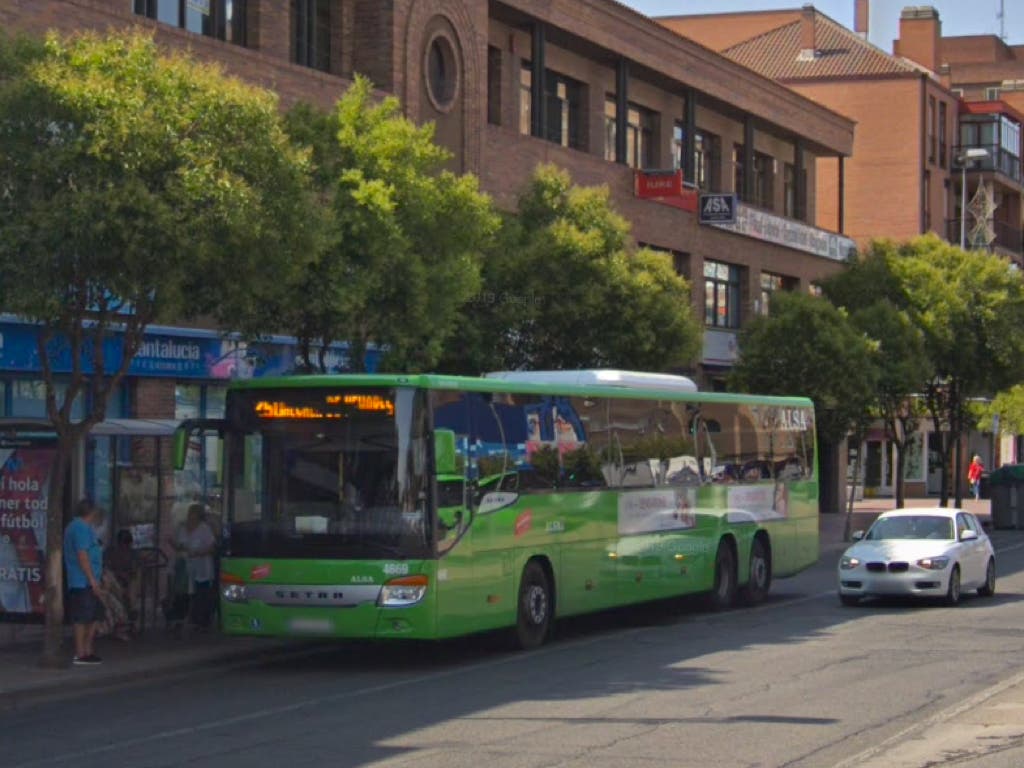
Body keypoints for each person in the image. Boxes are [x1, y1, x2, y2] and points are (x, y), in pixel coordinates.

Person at [62, 500, 105, 665]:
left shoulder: (83, 528)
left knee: (96, 614)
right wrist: (92, 580)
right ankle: (81, 652)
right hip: (82, 581)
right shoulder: (79, 527)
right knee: (83, 617)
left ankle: (88, 648)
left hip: (89, 579)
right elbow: (82, 555)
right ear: (91, 513)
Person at [174, 504, 217, 630]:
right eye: (190, 513)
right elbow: (180, 545)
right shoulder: (183, 528)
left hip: (202, 567)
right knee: (185, 592)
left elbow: (212, 547)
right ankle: (186, 617)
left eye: (193, 513)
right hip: (187, 567)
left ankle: (201, 620)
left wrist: (199, 553)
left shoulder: (204, 529)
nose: (190, 516)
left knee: (201, 593)